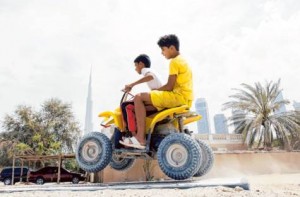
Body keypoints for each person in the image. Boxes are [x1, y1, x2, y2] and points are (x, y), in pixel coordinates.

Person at [120, 34, 194, 149]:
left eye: (163, 49)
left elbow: (169, 86)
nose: (162, 53)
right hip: (186, 98)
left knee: (138, 97)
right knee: (145, 107)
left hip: (176, 97)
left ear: (172, 48)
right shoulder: (184, 61)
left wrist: (153, 91)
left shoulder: (174, 62)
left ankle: (140, 138)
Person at [120, 54, 162, 139]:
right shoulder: (153, 71)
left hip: (158, 100)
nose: (135, 69)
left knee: (126, 106)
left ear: (141, 64)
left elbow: (150, 76)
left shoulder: (146, 70)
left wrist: (132, 84)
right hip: (159, 101)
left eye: (136, 65)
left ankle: (132, 135)